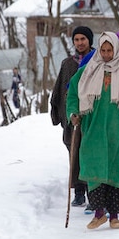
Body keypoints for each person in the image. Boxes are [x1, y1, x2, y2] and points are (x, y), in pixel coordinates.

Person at [67, 32, 119, 230]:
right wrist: (73, 113)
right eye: (103, 50)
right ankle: (98, 214)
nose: (105, 54)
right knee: (94, 167)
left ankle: (114, 216)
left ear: (116, 49)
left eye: (109, 50)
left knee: (115, 167)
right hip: (93, 128)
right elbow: (72, 93)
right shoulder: (88, 69)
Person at [50, 26, 94, 208]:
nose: (80, 43)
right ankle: (79, 192)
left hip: (92, 117)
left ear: (89, 40)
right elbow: (60, 88)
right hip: (72, 117)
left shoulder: (97, 61)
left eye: (83, 39)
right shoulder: (68, 63)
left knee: (91, 155)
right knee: (74, 153)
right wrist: (59, 111)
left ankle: (94, 194)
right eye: (76, 39)